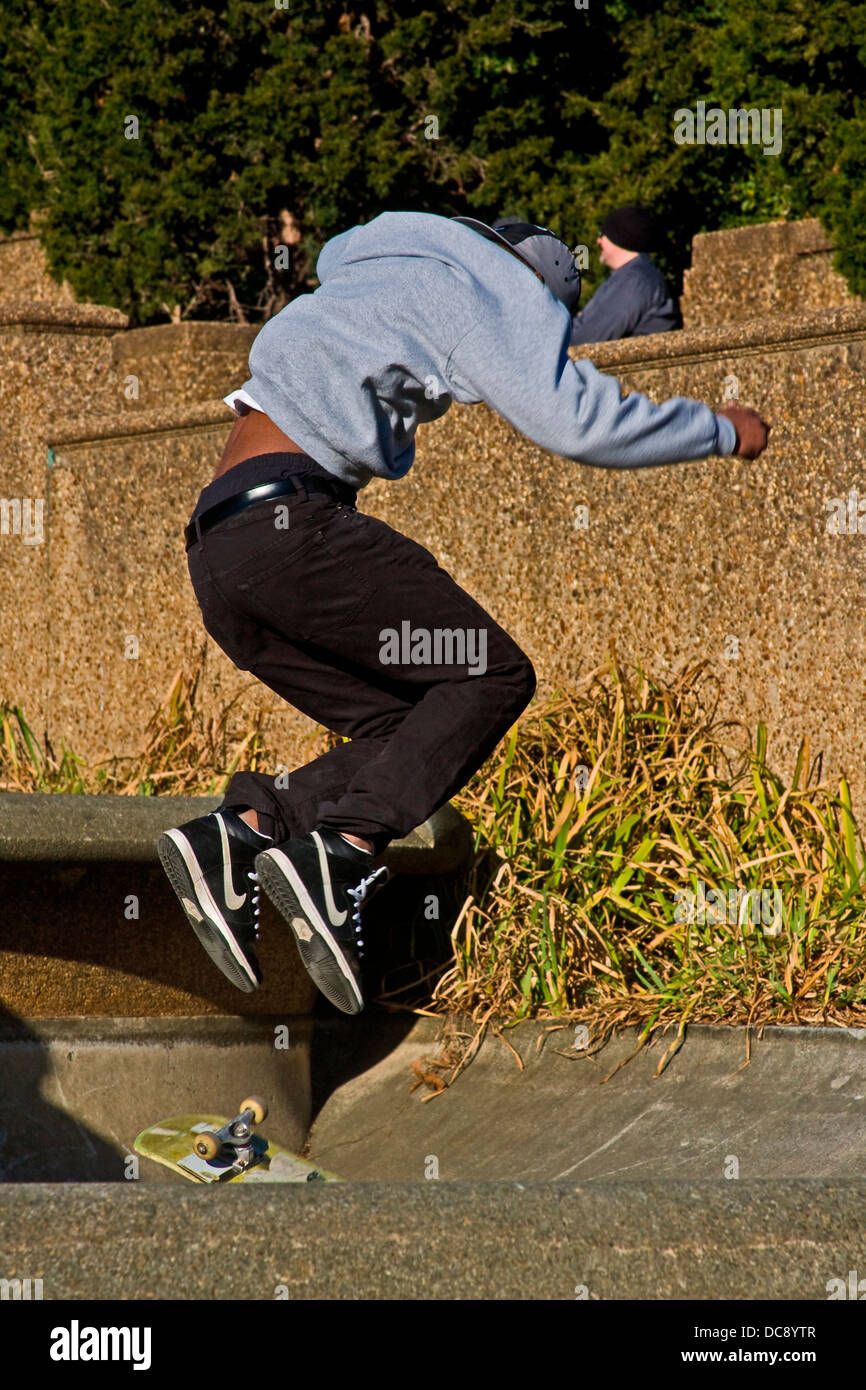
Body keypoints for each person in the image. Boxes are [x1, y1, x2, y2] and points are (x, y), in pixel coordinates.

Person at [157, 210, 769, 1016]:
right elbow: (575, 419)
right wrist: (720, 430)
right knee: (491, 673)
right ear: (534, 281)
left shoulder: (374, 265)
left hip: (219, 549)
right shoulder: (487, 287)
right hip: (295, 530)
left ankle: (240, 831)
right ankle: (340, 854)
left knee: (413, 722)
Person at [570, 204, 680, 345]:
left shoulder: (636, 281)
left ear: (620, 239)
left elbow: (586, 338)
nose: (599, 241)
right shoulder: (632, 277)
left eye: (602, 234)